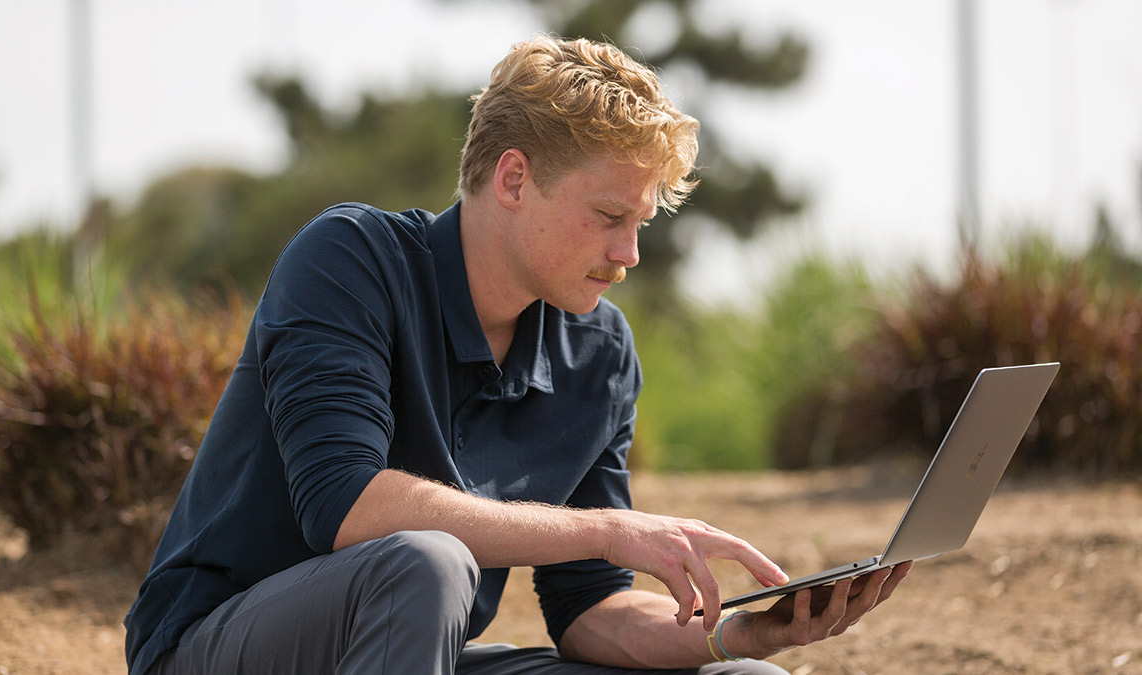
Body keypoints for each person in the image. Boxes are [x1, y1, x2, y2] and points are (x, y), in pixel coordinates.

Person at [124, 34, 911, 675]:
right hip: (209, 649)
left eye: (640, 222)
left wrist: (738, 634)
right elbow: (348, 506)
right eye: (608, 215)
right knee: (424, 566)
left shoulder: (598, 353)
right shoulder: (349, 257)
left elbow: (588, 610)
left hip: (416, 653)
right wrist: (606, 528)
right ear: (513, 178)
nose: (629, 252)